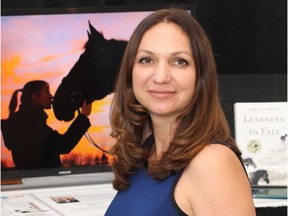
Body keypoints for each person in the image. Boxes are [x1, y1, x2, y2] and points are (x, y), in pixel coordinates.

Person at [105, 8, 256, 216]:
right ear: (130, 72)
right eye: (147, 60)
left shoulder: (212, 163)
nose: (160, 77)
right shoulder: (146, 152)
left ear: (200, 77)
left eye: (179, 62)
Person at [1, 80, 92, 170]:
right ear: (35, 97)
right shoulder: (32, 125)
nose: (51, 96)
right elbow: (64, 144)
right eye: (47, 92)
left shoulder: (22, 122)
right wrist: (83, 117)